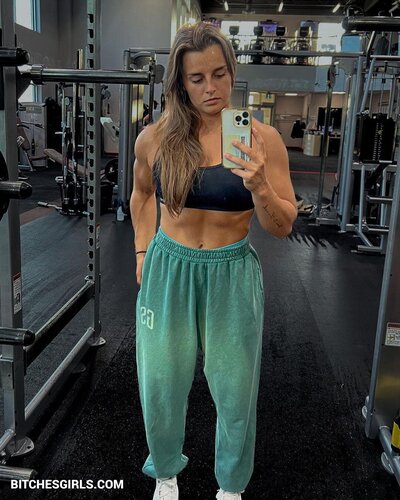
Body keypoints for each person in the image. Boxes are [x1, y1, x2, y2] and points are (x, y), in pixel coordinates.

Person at [130, 22, 297, 500]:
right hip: (169, 268)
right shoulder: (155, 138)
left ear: (232, 73)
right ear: (181, 83)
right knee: (161, 383)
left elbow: (283, 225)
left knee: (235, 389)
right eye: (197, 78)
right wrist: (142, 251)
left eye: (219, 74)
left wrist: (259, 185)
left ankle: (230, 487)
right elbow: (142, 195)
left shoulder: (262, 139)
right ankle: (165, 473)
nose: (211, 88)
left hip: (231, 272)